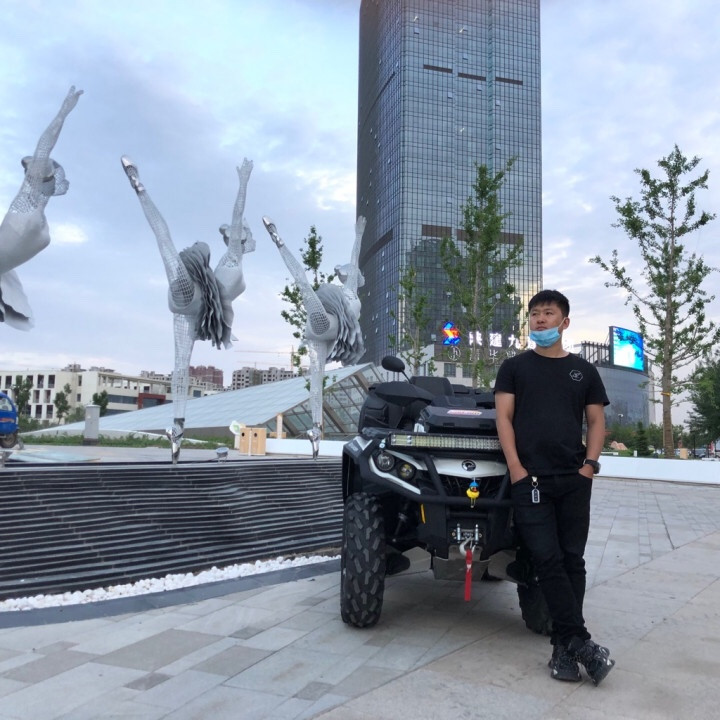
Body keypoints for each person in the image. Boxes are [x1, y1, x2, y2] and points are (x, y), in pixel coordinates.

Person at [494, 289, 615, 686]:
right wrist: (516, 468)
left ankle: (564, 648)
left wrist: (589, 466)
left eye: (548, 313)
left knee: (572, 560)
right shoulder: (514, 367)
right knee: (546, 560)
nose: (540, 320)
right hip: (529, 480)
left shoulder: (583, 371)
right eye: (534, 314)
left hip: (574, 479)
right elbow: (504, 419)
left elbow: (595, 422)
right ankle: (581, 642)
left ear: (565, 322)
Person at [121, 156, 254, 462]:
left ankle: (178, 427)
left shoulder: (236, 260)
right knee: (165, 246)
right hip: (191, 295)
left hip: (198, 312)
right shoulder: (231, 256)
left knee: (181, 363)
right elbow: (237, 214)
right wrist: (243, 183)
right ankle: (139, 186)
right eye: (237, 232)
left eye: (242, 233)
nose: (238, 234)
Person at [262, 215, 366, 458]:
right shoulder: (349, 289)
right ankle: (278, 241)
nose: (353, 274)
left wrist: (359, 234)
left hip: (334, 333)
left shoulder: (351, 290)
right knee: (303, 284)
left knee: (317, 379)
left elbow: (355, 260)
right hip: (323, 325)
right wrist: (358, 235)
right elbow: (355, 256)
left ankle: (316, 430)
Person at [0, 86, 83, 329]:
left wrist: (63, 113)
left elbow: (44, 149)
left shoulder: (32, 208)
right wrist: (62, 113)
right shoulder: (25, 205)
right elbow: (44, 146)